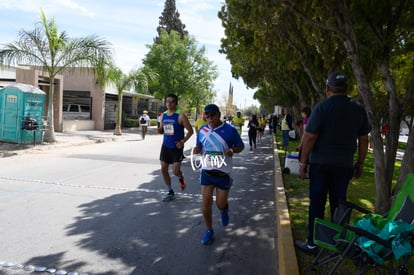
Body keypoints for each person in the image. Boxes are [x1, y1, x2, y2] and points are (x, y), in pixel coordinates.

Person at [295, 72, 371, 254]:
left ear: (328, 88)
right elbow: (364, 139)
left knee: (317, 203)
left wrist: (303, 163)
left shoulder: (321, 108)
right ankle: (338, 244)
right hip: (344, 166)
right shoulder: (358, 110)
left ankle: (313, 244)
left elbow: (310, 137)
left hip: (320, 165)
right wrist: (360, 163)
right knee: (339, 205)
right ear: (347, 89)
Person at [193, 104, 245, 245]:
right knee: (206, 202)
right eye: (206, 116)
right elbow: (199, 146)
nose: (209, 118)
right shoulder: (202, 131)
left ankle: (223, 210)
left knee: (220, 203)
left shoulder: (230, 130)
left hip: (223, 172)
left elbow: (241, 146)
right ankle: (209, 230)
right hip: (207, 171)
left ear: (219, 114)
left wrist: (233, 151)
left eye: (212, 115)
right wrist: (197, 149)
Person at [158, 93, 194, 201]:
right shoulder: (163, 115)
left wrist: (182, 142)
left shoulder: (180, 115)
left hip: (177, 148)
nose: (169, 103)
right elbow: (162, 129)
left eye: (172, 101)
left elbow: (190, 131)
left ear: (176, 103)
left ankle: (180, 177)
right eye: (167, 101)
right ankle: (170, 191)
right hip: (165, 146)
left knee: (175, 171)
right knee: (164, 170)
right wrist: (160, 130)